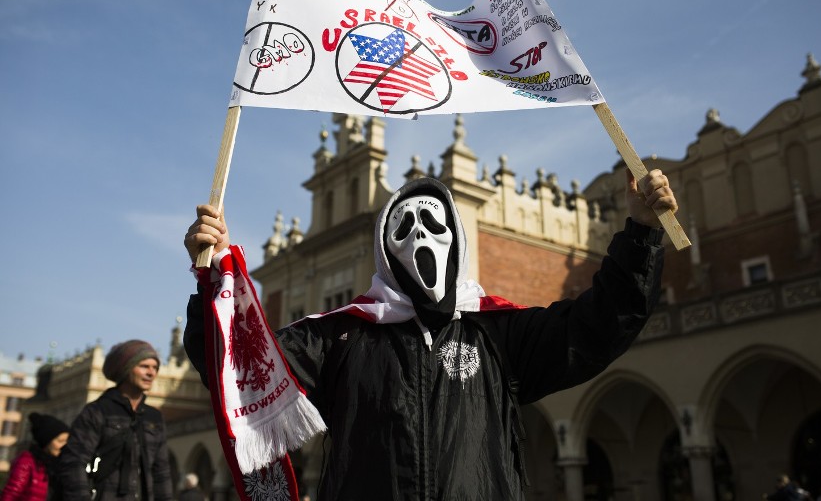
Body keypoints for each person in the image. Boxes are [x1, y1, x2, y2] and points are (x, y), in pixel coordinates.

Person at [183, 170, 678, 500]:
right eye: (405, 225)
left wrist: (640, 233)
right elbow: (237, 365)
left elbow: (598, 325)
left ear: (456, 239)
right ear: (384, 247)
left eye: (431, 221)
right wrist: (214, 276)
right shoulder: (341, 338)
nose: (420, 234)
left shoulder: (496, 333)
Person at [58, 340, 173, 501]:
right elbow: (74, 462)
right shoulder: (98, 411)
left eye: (155, 368)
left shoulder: (153, 417)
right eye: (144, 366)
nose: (151, 373)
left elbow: (161, 472)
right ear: (126, 370)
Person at [0, 412, 70, 501]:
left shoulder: (62, 464)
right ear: (46, 442)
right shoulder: (27, 461)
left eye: (67, 441)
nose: (65, 445)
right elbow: (11, 493)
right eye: (60, 441)